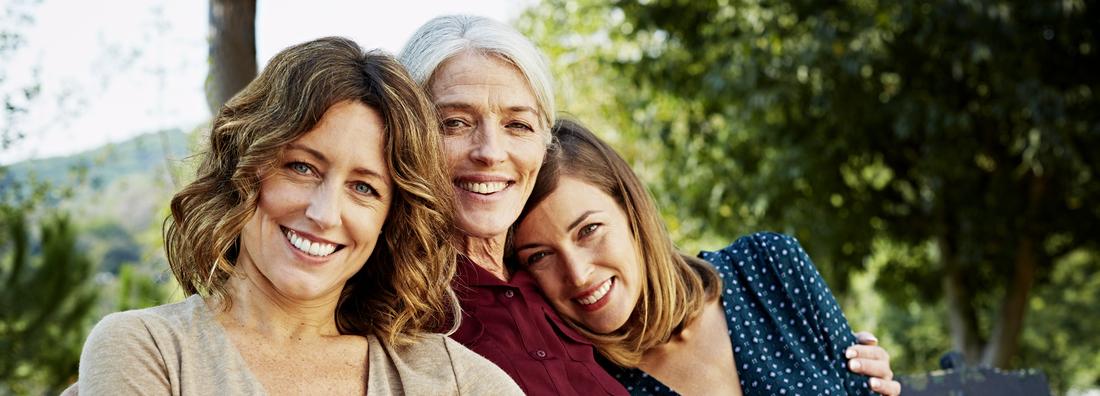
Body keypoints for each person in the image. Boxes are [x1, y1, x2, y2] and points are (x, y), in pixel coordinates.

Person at [74, 37, 521, 395]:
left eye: (364, 187)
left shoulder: (457, 382)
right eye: (301, 167)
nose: (325, 214)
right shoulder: (147, 350)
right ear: (244, 171)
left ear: (390, 220)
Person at [512, 119, 904, 395]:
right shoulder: (583, 381)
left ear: (631, 212)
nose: (578, 274)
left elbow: (866, 387)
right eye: (540, 256)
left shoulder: (770, 267)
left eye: (589, 230)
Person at [397, 15, 629, 395]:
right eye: (454, 123)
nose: (490, 152)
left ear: (544, 143)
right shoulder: (395, 304)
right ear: (407, 135)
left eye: (517, 125)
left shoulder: (559, 283)